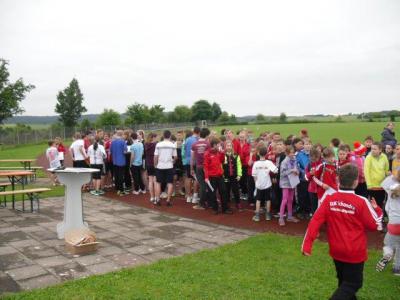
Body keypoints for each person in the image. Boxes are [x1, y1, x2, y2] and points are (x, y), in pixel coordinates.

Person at [302, 164, 383, 300]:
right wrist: (378, 210)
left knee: (344, 284)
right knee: (353, 283)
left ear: (338, 180)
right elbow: (375, 225)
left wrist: (307, 245)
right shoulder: (361, 201)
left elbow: (314, 222)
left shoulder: (329, 200)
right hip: (354, 251)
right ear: (356, 182)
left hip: (336, 250)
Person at [376, 168, 400, 275]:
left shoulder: (391, 187)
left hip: (393, 223)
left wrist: (393, 176)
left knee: (388, 244)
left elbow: (383, 183)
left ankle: (388, 253)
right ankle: (397, 268)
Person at [203, 138, 232, 215]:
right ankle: (215, 208)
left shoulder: (219, 153)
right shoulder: (207, 154)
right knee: (212, 193)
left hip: (220, 176)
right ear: (214, 145)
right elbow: (205, 166)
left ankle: (225, 208)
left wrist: (222, 153)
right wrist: (206, 177)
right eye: (218, 144)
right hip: (212, 177)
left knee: (223, 191)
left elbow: (222, 161)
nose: (220, 145)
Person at [251, 146, 278, 222]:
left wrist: (256, 183)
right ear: (266, 153)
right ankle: (268, 215)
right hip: (267, 184)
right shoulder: (269, 162)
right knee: (268, 199)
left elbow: (254, 175)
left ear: (258, 153)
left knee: (258, 199)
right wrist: (272, 176)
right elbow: (276, 170)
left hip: (259, 185)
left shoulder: (256, 163)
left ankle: (257, 215)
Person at [364, 142, 390, 211]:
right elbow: (366, 171)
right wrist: (369, 185)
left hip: (382, 186)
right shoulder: (368, 158)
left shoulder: (384, 156)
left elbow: (386, 169)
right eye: (372, 149)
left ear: (380, 150)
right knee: (373, 205)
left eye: (375, 149)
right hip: (372, 187)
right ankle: (375, 219)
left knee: (381, 203)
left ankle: (381, 218)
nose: (372, 150)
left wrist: (388, 175)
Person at [154, 130, 177, 206]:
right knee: (170, 183)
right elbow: (176, 157)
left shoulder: (158, 144)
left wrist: (155, 164)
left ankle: (157, 199)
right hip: (169, 166)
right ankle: (168, 200)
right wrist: (172, 162)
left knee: (158, 183)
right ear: (170, 136)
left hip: (160, 166)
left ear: (163, 136)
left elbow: (156, 156)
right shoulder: (173, 145)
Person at [279, 146, 300, 226]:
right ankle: (281, 217)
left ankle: (290, 216)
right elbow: (282, 173)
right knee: (284, 200)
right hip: (285, 183)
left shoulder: (294, 160)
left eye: (293, 152)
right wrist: (291, 170)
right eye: (291, 152)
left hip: (292, 182)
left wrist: (297, 172)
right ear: (287, 153)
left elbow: (297, 169)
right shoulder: (284, 162)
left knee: (291, 199)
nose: (292, 154)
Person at [191, 128, 210, 209]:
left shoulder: (194, 144)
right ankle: (206, 202)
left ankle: (202, 204)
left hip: (198, 167)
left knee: (202, 185)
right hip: (207, 167)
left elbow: (192, 158)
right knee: (206, 184)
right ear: (206, 135)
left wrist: (191, 168)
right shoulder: (208, 144)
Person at [222, 140, 242, 210]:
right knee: (226, 190)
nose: (229, 147)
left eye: (230, 146)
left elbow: (239, 165)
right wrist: (222, 174)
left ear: (232, 147)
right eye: (227, 146)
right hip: (226, 176)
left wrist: (239, 175)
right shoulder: (223, 155)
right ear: (225, 147)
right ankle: (227, 202)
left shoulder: (236, 155)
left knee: (236, 190)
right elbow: (221, 166)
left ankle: (238, 203)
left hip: (234, 176)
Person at [184, 127, 200, 204]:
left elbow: (184, 149)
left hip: (187, 161)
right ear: (199, 132)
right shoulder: (198, 140)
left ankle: (188, 196)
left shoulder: (187, 139)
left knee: (188, 178)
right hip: (195, 161)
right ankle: (194, 196)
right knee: (197, 178)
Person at [296, 138, 311, 219]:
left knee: (309, 195)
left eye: (309, 144)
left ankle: (308, 211)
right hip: (301, 178)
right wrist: (303, 172)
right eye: (306, 144)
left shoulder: (313, 154)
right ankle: (301, 211)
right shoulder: (299, 154)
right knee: (302, 194)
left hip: (310, 178)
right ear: (303, 146)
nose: (307, 146)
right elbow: (297, 165)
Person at [110, 130, 128, 196]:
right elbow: (125, 151)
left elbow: (110, 151)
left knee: (116, 175)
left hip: (114, 161)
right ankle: (121, 190)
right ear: (122, 134)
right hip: (121, 161)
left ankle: (117, 188)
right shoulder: (123, 142)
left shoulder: (113, 142)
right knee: (120, 176)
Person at [305, 146, 322, 215]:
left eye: (316, 159)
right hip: (312, 189)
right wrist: (310, 174)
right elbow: (306, 177)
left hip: (321, 189)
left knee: (321, 205)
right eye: (312, 159)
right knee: (313, 206)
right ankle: (314, 218)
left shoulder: (322, 164)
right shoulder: (309, 165)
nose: (314, 160)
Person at [145, 132, 158, 203]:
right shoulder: (156, 145)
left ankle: (152, 197)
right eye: (155, 137)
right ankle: (156, 197)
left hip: (148, 164)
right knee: (155, 181)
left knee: (150, 181)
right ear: (153, 137)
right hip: (155, 164)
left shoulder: (146, 144)